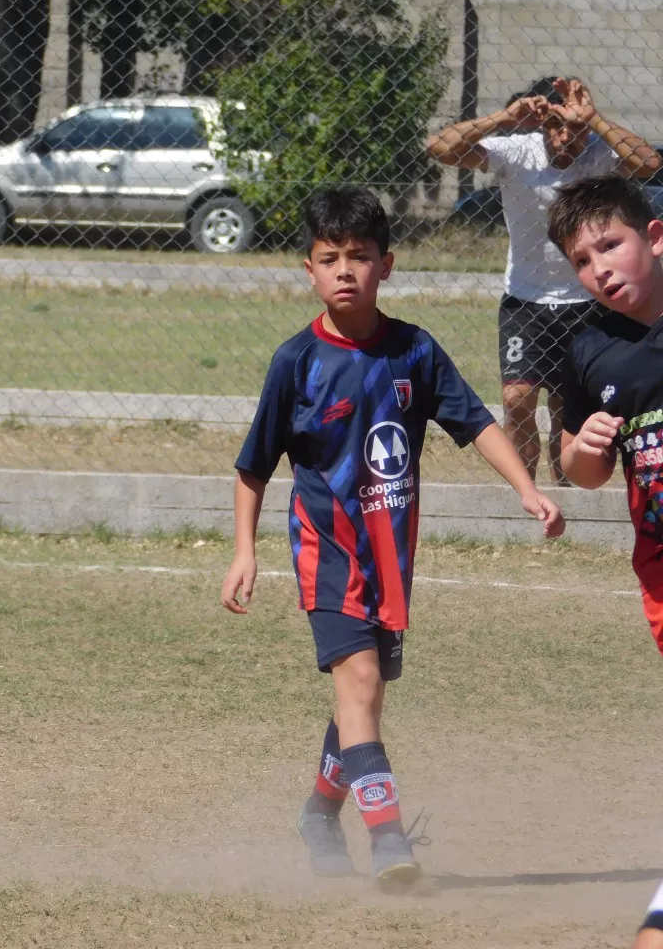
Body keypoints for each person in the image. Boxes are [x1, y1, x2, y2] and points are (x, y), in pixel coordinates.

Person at [220, 186, 565, 889]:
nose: (345, 270)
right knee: (362, 683)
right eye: (329, 258)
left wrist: (528, 489)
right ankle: (389, 847)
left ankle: (319, 814)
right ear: (309, 270)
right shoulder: (297, 362)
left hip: (391, 561)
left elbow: (476, 424)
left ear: (388, 265)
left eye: (360, 256)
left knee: (363, 702)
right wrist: (244, 552)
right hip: (329, 556)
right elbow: (253, 466)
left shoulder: (414, 351)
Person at [426, 76, 660, 484]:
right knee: (516, 399)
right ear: (540, 125)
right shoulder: (517, 150)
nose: (565, 136)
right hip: (526, 298)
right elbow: (438, 148)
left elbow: (651, 164)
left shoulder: (600, 152)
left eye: (574, 127)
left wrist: (594, 119)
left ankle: (564, 487)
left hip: (585, 298)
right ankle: (526, 487)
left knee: (564, 406)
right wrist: (504, 117)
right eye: (555, 125)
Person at [549, 176, 663, 946]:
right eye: (583, 259)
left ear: (655, 237)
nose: (601, 268)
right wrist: (587, 449)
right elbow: (575, 469)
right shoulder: (586, 346)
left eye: (611, 244)